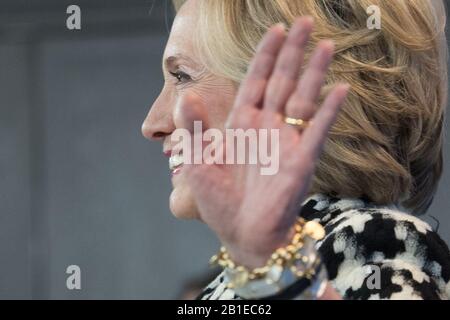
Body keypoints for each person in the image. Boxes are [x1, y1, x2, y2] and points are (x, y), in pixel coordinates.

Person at [142, 0, 450, 299]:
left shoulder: (378, 246)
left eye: (182, 76)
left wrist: (275, 274)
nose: (151, 124)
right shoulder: (249, 270)